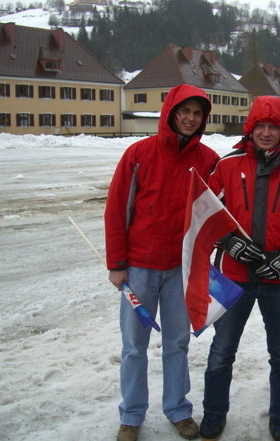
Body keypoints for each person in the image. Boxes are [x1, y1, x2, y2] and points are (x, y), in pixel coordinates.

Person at [200, 96, 280, 441]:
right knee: (222, 350)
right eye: (261, 126)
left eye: (274, 127)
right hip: (232, 277)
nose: (266, 133)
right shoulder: (228, 165)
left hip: (278, 279)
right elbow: (205, 212)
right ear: (250, 128)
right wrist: (227, 241)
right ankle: (214, 412)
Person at [105, 84, 220, 441]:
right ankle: (131, 415)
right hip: (139, 267)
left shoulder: (208, 159)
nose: (190, 118)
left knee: (177, 343)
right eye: (184, 111)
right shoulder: (139, 153)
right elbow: (116, 210)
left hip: (180, 271)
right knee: (134, 346)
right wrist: (116, 263)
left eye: (197, 114)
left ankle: (178, 408)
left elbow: (217, 215)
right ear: (170, 112)